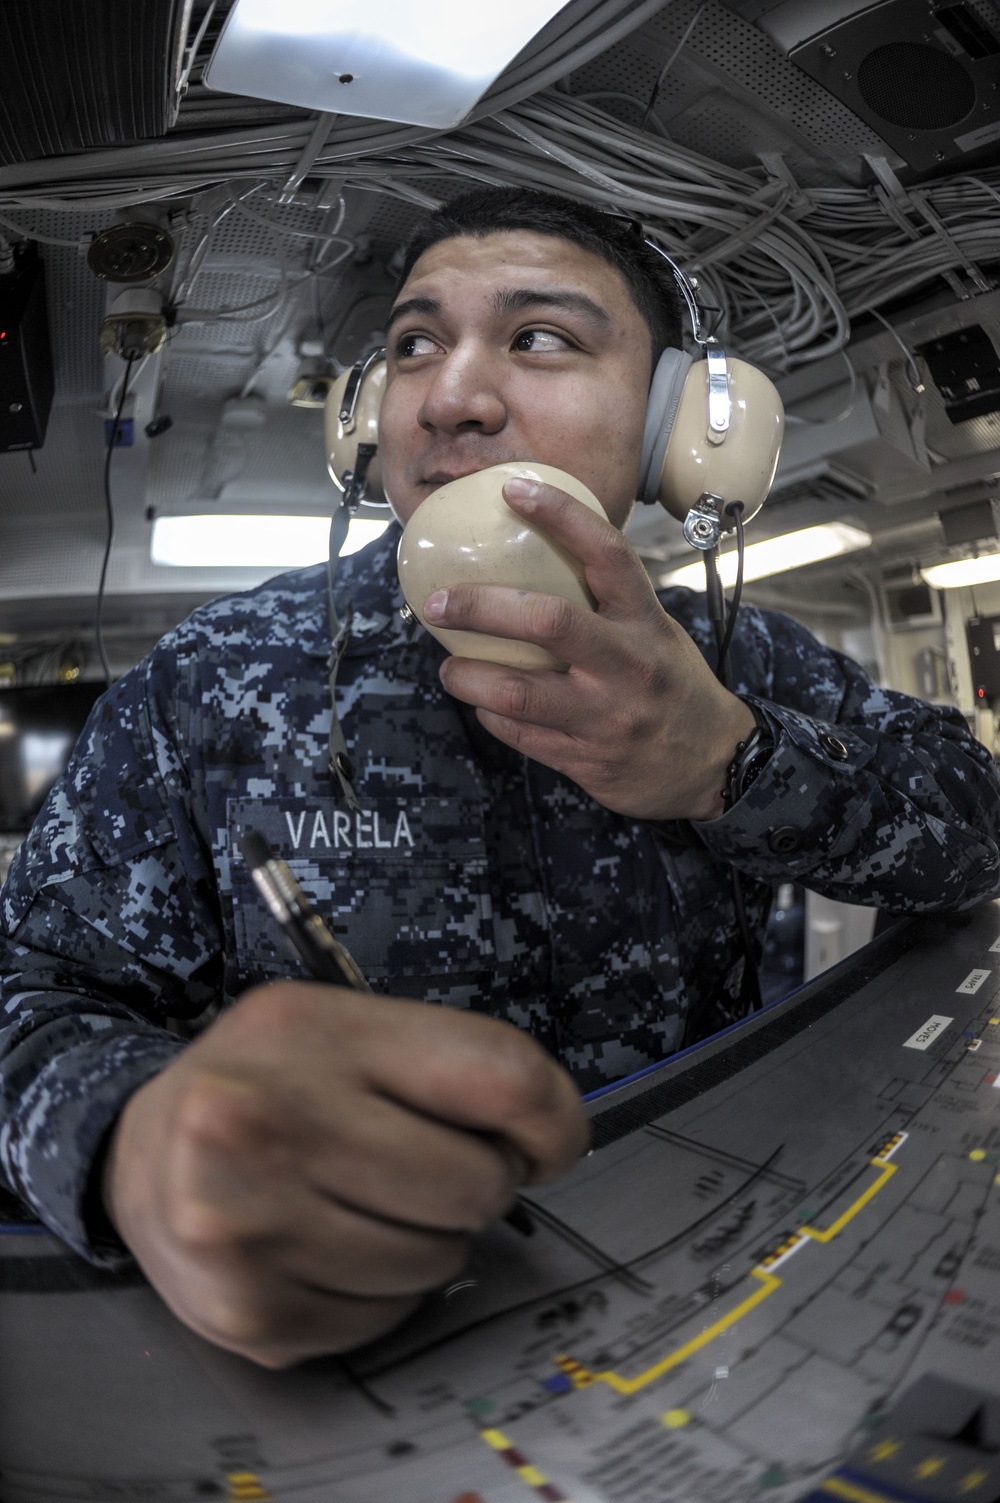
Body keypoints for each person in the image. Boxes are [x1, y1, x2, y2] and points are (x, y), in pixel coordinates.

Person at [1, 187, 998, 1369]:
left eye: (539, 339)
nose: (451, 399)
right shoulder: (209, 677)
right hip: (355, 1326)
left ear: (674, 431)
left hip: (697, 1279)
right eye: (414, 346)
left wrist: (734, 762)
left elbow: (972, 818)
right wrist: (124, 1136)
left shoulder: (741, 658)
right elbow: (37, 986)